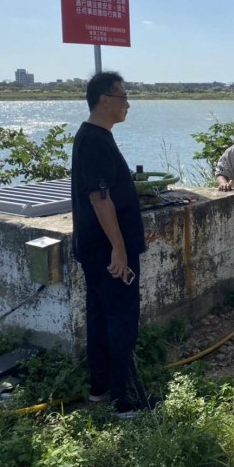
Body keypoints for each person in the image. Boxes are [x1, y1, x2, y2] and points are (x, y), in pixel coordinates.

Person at [71, 71, 149, 417]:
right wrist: (119, 247)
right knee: (121, 320)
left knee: (101, 317)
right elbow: (100, 199)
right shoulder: (95, 140)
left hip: (96, 248)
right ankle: (125, 399)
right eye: (123, 97)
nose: (127, 104)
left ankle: (101, 387)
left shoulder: (95, 137)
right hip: (108, 251)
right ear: (105, 100)